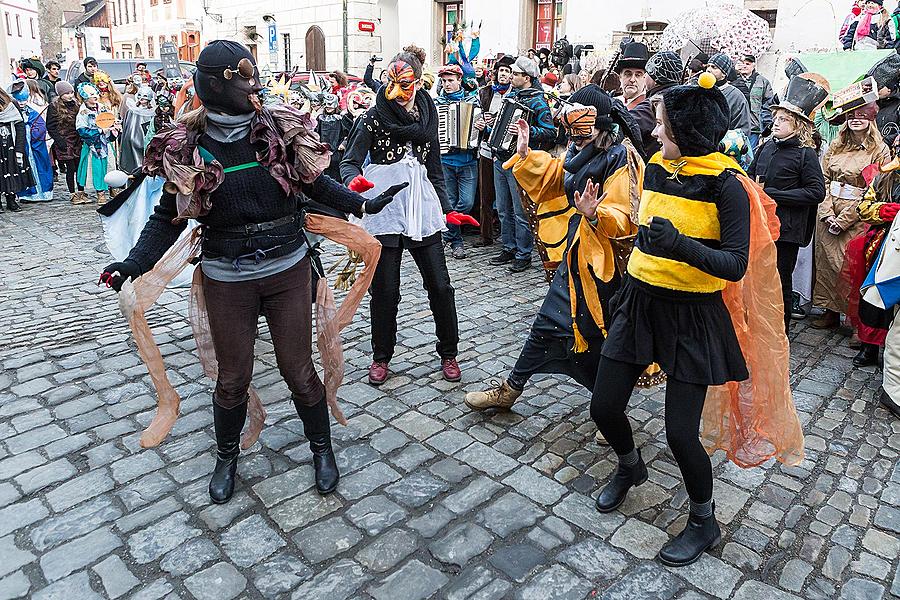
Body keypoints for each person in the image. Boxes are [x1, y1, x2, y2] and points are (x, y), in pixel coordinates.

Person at [99, 40, 406, 504]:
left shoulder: (276, 129)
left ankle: (322, 450)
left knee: (298, 369)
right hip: (226, 277)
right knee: (233, 377)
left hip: (287, 269)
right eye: (243, 78)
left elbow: (312, 180)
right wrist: (134, 264)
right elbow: (167, 215)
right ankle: (226, 457)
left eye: (253, 76)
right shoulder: (187, 145)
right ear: (215, 84)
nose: (254, 85)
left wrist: (360, 203)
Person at [590, 73, 801, 567]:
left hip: (692, 315)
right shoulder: (659, 167)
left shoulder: (728, 185)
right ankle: (629, 465)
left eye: (662, 125)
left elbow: (734, 263)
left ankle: (704, 520)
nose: (655, 132)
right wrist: (603, 217)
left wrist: (678, 245)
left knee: (680, 433)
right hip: (640, 302)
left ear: (686, 133)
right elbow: (644, 229)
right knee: (603, 406)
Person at [465, 86, 645, 412]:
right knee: (546, 324)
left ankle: (610, 409)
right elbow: (553, 177)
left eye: (580, 133)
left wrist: (596, 213)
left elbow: (627, 218)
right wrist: (524, 154)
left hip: (607, 271)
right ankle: (511, 388)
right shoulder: (580, 153)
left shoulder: (622, 157)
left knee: (601, 339)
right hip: (576, 261)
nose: (573, 139)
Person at [341, 45, 461, 387]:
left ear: (420, 83)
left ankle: (449, 352)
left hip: (420, 204)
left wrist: (447, 207)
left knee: (439, 285)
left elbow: (434, 163)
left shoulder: (429, 112)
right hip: (385, 206)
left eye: (406, 85)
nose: (397, 94)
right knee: (385, 289)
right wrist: (355, 182)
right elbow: (349, 160)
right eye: (391, 84)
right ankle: (381, 356)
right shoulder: (373, 116)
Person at [749, 74, 829, 333]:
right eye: (775, 118)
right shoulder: (765, 148)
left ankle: (779, 331)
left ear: (797, 125)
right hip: (759, 225)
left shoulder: (805, 154)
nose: (775, 123)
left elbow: (816, 192)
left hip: (787, 231)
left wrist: (773, 194)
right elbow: (750, 176)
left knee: (780, 279)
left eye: (783, 119)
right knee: (757, 277)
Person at [813, 102, 891, 328]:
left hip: (856, 215)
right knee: (825, 263)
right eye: (852, 116)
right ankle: (829, 310)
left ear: (872, 119)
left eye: (863, 116)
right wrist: (826, 211)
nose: (856, 119)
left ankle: (856, 320)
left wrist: (845, 218)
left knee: (851, 267)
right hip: (829, 211)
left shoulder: (879, 150)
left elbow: (875, 187)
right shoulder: (836, 146)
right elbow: (823, 179)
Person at [486, 56, 556, 273]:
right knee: (503, 208)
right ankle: (508, 247)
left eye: (515, 74)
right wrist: (490, 123)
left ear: (526, 78)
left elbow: (551, 132)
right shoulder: (511, 96)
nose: (510, 76)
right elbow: (502, 123)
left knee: (520, 211)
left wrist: (527, 132)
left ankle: (523, 253)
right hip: (502, 158)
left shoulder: (538, 101)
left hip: (521, 163)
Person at [435, 63, 481, 258]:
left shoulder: (473, 101)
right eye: (444, 81)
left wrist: (482, 125)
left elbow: (482, 129)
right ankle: (456, 241)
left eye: (450, 81)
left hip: (468, 160)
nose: (447, 85)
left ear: (459, 80)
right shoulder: (437, 104)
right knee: (450, 202)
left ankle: (448, 234)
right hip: (446, 160)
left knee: (467, 203)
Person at [474, 55, 515, 247]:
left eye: (507, 71)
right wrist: (480, 123)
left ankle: (506, 234)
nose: (504, 74)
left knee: (505, 199)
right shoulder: (485, 92)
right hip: (486, 148)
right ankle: (486, 235)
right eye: (501, 71)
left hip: (507, 152)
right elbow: (476, 114)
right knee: (486, 195)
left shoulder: (515, 94)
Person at [630, 51, 683, 160]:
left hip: (656, 163)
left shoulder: (658, 102)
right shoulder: (683, 97)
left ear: (656, 78)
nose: (645, 77)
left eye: (648, 73)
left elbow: (628, 123)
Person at [10, 80, 52, 203]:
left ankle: (44, 192)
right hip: (22, 146)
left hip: (35, 146)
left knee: (41, 166)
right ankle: (27, 194)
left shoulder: (33, 111)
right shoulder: (13, 112)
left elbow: (40, 126)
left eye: (23, 100)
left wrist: (31, 133)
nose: (22, 104)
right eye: (19, 101)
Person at [74, 82, 117, 204]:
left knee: (111, 165)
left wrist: (114, 127)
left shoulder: (102, 107)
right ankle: (100, 192)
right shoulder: (83, 112)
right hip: (94, 146)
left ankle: (113, 187)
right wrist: (99, 131)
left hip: (106, 142)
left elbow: (110, 120)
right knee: (97, 169)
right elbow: (82, 130)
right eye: (91, 95)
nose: (95, 97)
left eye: (95, 94)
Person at [46, 81, 83, 202]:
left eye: (71, 92)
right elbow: (50, 126)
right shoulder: (54, 106)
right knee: (70, 168)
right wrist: (59, 140)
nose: (70, 95)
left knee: (79, 166)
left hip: (77, 139)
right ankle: (73, 193)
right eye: (66, 93)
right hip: (64, 140)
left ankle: (81, 191)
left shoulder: (76, 104)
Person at [0, 86, 33, 213]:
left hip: (10, 143)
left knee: (11, 169)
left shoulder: (10, 103)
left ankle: (11, 199)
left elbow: (20, 126)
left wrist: (19, 148)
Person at [706, 54, 751, 137]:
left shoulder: (736, 97)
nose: (708, 70)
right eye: (708, 66)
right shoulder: (699, 91)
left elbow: (742, 131)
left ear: (724, 74)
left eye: (714, 67)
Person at [735, 55, 774, 150]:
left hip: (754, 127)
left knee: (750, 156)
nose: (744, 66)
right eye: (742, 63)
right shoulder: (732, 80)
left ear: (753, 65)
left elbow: (769, 103)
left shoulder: (763, 82)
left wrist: (766, 125)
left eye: (747, 64)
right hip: (735, 127)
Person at [314, 92, 352, 182]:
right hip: (323, 152)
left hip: (337, 153)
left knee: (337, 176)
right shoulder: (320, 118)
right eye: (326, 105)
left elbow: (350, 133)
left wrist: (344, 143)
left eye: (331, 105)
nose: (328, 107)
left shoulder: (342, 118)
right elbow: (315, 133)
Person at [119, 85, 156, 174]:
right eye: (140, 96)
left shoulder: (153, 112)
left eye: (145, 97)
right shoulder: (132, 111)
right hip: (132, 140)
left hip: (147, 140)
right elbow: (127, 127)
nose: (142, 99)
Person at [613, 42, 649, 110]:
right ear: (620, 77)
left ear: (645, 78)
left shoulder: (651, 107)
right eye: (628, 74)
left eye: (638, 75)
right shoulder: (612, 103)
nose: (632, 80)